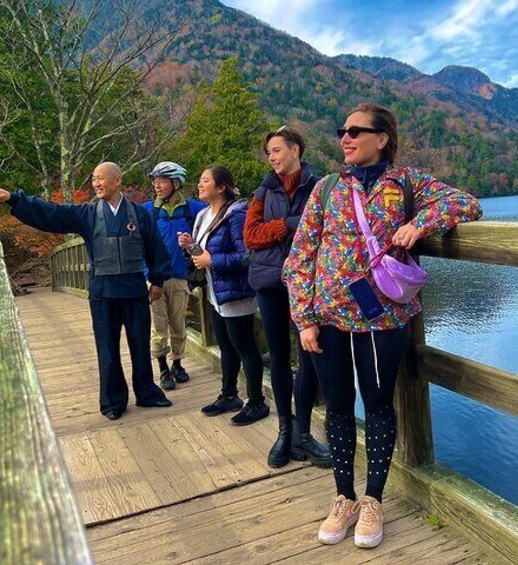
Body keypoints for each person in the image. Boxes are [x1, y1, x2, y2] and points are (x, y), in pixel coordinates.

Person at [284, 104, 482, 548]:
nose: (346, 138)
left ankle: (372, 500)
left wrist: (419, 223)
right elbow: (300, 258)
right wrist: (304, 319)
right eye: (343, 131)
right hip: (329, 317)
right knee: (336, 406)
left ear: (383, 138)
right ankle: (343, 496)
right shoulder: (327, 188)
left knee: (377, 404)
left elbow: (465, 203)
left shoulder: (407, 183)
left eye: (356, 131)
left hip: (383, 317)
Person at [0, 162, 174, 421]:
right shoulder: (87, 213)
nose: (96, 184)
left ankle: (147, 393)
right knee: (107, 348)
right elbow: (53, 213)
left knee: (139, 345)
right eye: (93, 179)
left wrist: (158, 280)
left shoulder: (140, 214)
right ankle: (113, 401)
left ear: (117, 181)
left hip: (133, 290)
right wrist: (15, 199)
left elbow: (155, 247)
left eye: (101, 179)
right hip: (103, 292)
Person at [244, 126, 331, 469]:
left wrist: (284, 227)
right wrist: (289, 224)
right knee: (279, 356)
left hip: (307, 282)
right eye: (269, 152)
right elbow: (251, 236)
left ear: (295, 150)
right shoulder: (262, 193)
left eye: (277, 150)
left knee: (309, 356)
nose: (272, 157)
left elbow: (327, 227)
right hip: (269, 282)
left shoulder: (320, 188)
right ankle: (284, 431)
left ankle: (303, 433)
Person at [177, 167, 268, 426]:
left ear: (221, 187)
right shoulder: (204, 215)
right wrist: (189, 246)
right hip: (215, 294)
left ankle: (257, 402)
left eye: (205, 180)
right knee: (226, 347)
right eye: (200, 179)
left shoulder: (236, 215)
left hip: (236, 295)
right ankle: (229, 395)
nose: (199, 184)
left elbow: (247, 255)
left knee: (247, 350)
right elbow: (201, 255)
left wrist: (211, 259)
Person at [144, 161, 207, 391]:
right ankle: (162, 369)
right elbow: (139, 245)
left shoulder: (193, 209)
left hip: (180, 276)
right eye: (155, 181)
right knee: (158, 326)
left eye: (162, 181)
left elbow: (206, 238)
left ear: (176, 183)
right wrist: (146, 275)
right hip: (155, 279)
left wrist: (192, 248)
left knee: (178, 324)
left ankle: (178, 364)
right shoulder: (148, 210)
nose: (157, 185)